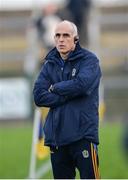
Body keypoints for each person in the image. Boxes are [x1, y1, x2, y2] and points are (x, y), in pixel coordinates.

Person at [33, 20, 101, 179]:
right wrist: (66, 96)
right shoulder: (49, 64)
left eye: (66, 35)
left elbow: (82, 85)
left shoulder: (89, 60)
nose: (61, 39)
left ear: (75, 39)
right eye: (57, 35)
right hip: (56, 139)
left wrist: (55, 88)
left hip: (83, 136)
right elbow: (38, 96)